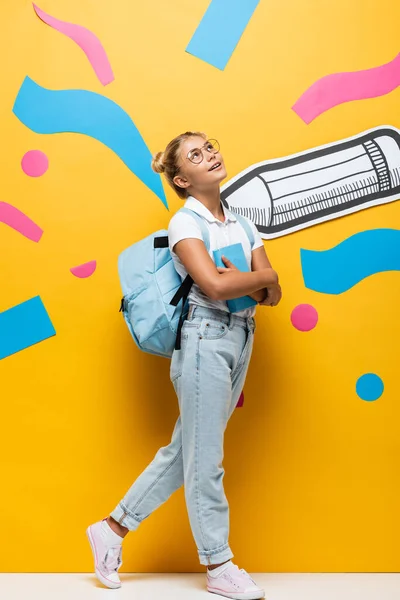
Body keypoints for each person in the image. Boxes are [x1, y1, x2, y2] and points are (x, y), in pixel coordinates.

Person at [87, 132, 281, 599]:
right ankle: (218, 563)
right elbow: (215, 288)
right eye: (196, 155)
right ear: (182, 178)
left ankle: (111, 529)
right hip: (203, 339)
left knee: (188, 450)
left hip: (241, 339)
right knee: (205, 460)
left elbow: (273, 293)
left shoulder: (243, 224)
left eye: (210, 146)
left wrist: (252, 280)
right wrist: (253, 278)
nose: (210, 154)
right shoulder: (185, 223)